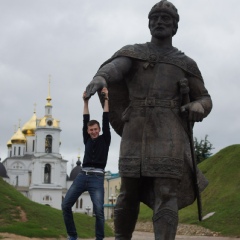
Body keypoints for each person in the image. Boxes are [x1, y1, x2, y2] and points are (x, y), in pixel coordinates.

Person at [85, 1, 212, 239]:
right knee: (127, 192)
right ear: (149, 23)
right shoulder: (133, 54)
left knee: (166, 192)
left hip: (169, 132)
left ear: (175, 27)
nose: (160, 22)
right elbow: (116, 67)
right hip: (136, 129)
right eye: (155, 18)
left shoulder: (185, 64)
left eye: (166, 19)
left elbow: (205, 98)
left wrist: (197, 105)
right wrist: (102, 75)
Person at [62, 87, 111, 240]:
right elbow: (85, 119)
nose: (93, 132)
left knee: (99, 211)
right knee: (65, 205)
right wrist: (85, 102)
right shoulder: (87, 139)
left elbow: (106, 117)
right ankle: (72, 235)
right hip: (82, 176)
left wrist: (106, 99)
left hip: (97, 178)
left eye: (95, 129)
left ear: (99, 129)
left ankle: (99, 238)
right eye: (91, 130)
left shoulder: (105, 139)